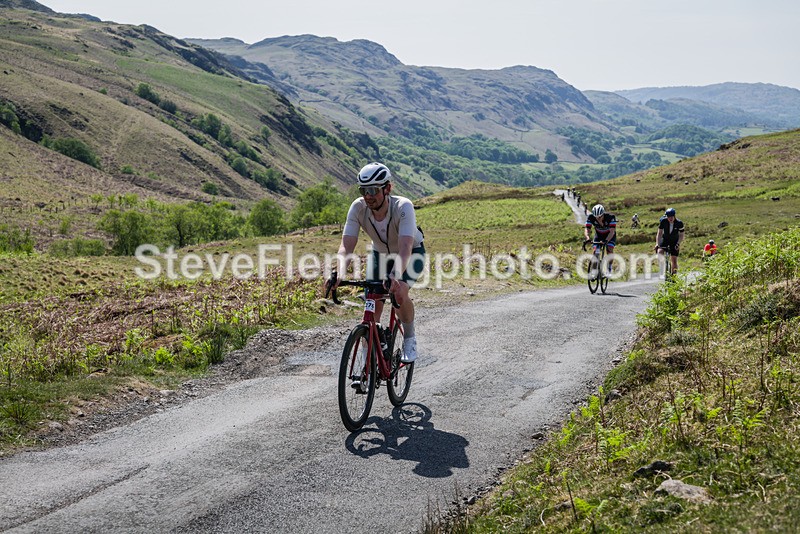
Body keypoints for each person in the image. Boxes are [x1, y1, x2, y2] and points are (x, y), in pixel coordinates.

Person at [331, 162, 425, 363]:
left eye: (373, 190)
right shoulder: (358, 208)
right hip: (380, 255)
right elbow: (346, 245)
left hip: (411, 253)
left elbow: (406, 247)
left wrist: (395, 275)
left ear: (388, 188)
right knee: (371, 307)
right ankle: (368, 362)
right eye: (364, 190)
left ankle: (409, 338)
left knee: (399, 293)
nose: (368, 196)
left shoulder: (403, 206)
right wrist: (339, 272)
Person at [584, 204, 617, 279]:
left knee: (609, 249)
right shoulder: (591, 217)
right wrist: (587, 238)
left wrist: (606, 241)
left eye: (600, 217)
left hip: (610, 236)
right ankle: (594, 271)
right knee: (595, 252)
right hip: (599, 236)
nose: (598, 218)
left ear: (603, 214)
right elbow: (587, 229)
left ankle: (609, 268)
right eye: (596, 217)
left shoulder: (610, 217)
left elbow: (612, 232)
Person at [655, 207, 685, 278]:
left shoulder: (679, 223)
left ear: (674, 216)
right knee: (659, 251)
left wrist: (678, 243)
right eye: (668, 217)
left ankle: (674, 277)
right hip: (665, 239)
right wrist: (657, 244)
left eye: (671, 217)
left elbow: (681, 235)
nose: (670, 218)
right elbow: (659, 233)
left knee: (674, 259)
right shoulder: (663, 221)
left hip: (674, 241)